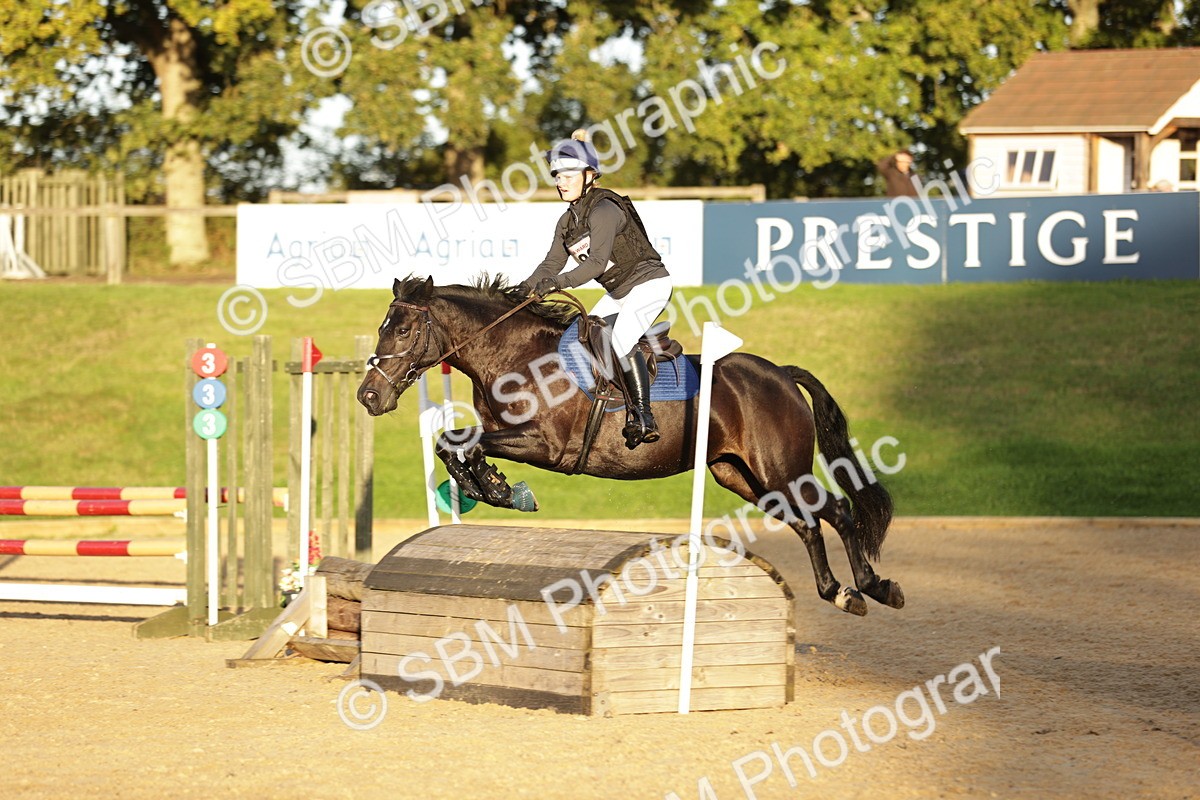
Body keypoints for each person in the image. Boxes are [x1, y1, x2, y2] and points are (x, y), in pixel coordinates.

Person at [518, 129, 672, 449]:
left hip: (650, 285)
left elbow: (596, 265)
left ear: (590, 176)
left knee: (620, 339)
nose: (561, 180)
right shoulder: (567, 221)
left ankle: (643, 416)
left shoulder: (605, 210)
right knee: (581, 336)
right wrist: (522, 291)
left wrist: (558, 284)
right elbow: (550, 265)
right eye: (557, 174)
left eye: (569, 174)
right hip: (619, 294)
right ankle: (608, 400)